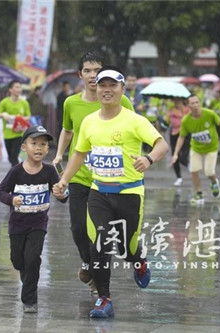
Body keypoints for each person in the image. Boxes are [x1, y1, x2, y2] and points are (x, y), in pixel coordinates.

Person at [53, 66, 168, 318]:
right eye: (102, 85)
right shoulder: (88, 122)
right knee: (99, 245)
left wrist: (148, 160)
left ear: (122, 90)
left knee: (127, 248)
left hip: (129, 193)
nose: (106, 90)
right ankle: (104, 299)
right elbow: (79, 153)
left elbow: (162, 143)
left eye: (112, 85)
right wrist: (64, 180)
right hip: (99, 192)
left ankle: (139, 262)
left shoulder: (134, 120)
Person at [52, 51, 134, 293]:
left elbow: (133, 130)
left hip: (109, 179)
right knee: (78, 228)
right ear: (80, 75)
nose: (92, 75)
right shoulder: (71, 103)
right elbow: (68, 130)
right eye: (87, 71)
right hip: (79, 177)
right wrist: (59, 154)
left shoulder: (121, 101)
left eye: (96, 70)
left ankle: (100, 284)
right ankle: (87, 261)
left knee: (100, 232)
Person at [0, 125, 68, 313]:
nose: (39, 148)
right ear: (24, 147)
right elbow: (0, 191)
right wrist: (12, 199)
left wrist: (61, 194)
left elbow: (63, 194)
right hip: (17, 225)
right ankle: (25, 275)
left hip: (38, 224)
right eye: (34, 143)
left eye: (43, 144)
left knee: (33, 258)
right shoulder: (16, 171)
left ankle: (30, 300)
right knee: (18, 261)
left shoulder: (50, 171)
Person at [171, 94, 220, 204]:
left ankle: (214, 182)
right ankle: (199, 193)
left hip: (211, 147)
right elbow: (181, 137)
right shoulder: (186, 120)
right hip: (196, 148)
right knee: (194, 170)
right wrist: (175, 154)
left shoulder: (209, 114)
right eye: (193, 103)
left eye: (197, 102)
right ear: (188, 105)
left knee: (209, 172)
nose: (196, 105)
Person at [0, 80, 31, 166]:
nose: (19, 89)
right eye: (17, 87)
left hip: (19, 134)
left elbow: (28, 116)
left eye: (20, 87)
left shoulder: (24, 103)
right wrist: (4, 114)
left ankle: (15, 175)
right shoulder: (4, 102)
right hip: (7, 134)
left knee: (14, 157)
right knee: (10, 157)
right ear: (10, 89)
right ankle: (17, 170)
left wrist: (19, 119)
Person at [167, 97, 190, 186]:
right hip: (174, 133)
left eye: (178, 100)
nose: (176, 102)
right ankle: (179, 177)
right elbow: (168, 122)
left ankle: (187, 164)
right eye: (175, 101)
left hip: (186, 133)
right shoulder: (171, 110)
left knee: (183, 155)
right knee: (174, 155)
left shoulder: (188, 110)